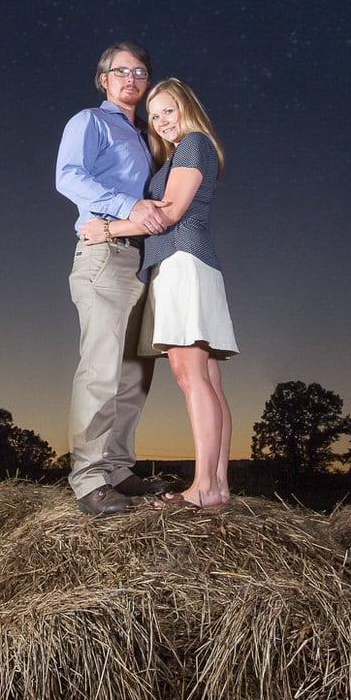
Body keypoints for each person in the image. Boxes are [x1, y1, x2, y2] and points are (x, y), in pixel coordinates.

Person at [81, 78, 235, 509]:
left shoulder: (194, 144)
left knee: (190, 375)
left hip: (182, 262)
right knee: (208, 378)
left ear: (187, 107)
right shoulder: (185, 150)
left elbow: (168, 214)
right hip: (195, 263)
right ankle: (218, 487)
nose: (162, 121)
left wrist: (107, 228)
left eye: (170, 110)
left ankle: (203, 487)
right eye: (155, 115)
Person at [54, 42, 173, 515]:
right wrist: (129, 206)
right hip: (105, 254)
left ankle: (118, 469)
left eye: (140, 72)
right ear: (103, 79)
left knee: (135, 374)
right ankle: (88, 479)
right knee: (101, 369)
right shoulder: (91, 122)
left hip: (145, 260)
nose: (131, 79)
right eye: (121, 71)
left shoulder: (149, 135)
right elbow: (68, 176)